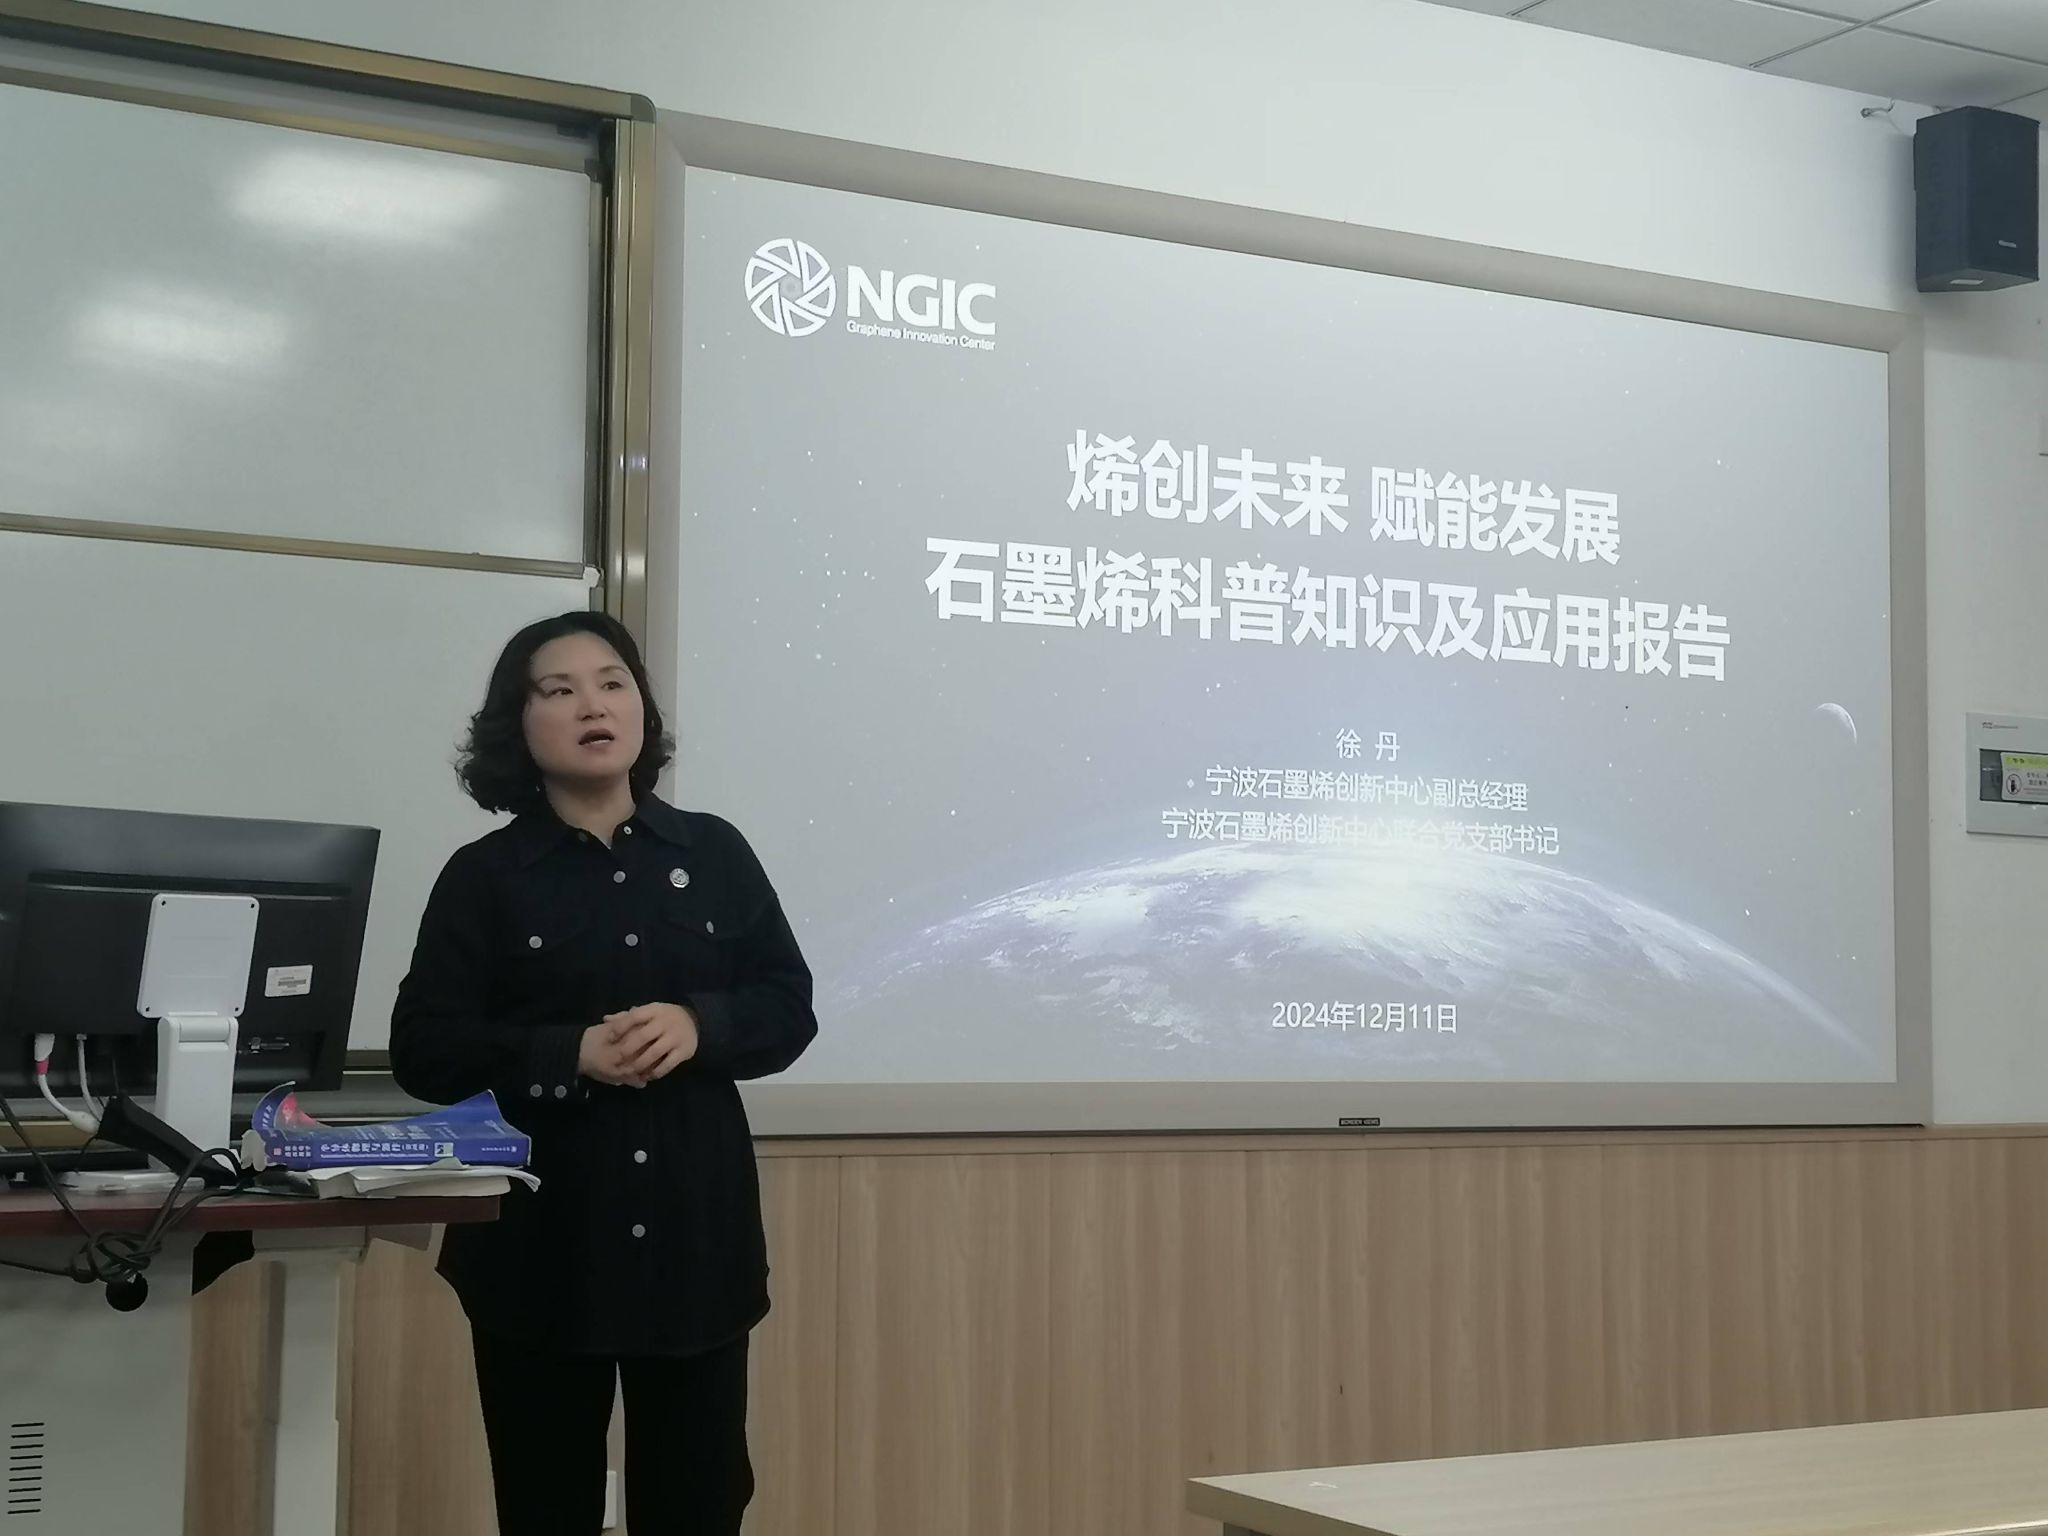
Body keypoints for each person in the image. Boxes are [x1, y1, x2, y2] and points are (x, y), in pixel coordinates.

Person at [389, 611, 816, 1536]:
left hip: (695, 1250)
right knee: (546, 1511)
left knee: (698, 1509)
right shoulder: (484, 877)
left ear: (641, 710)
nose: (594, 704)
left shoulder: (714, 854)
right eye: (561, 689)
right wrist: (565, 1054)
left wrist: (699, 1025)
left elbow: (789, 1008)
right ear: (519, 726)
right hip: (540, 1254)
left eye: (613, 682)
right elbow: (424, 1047)